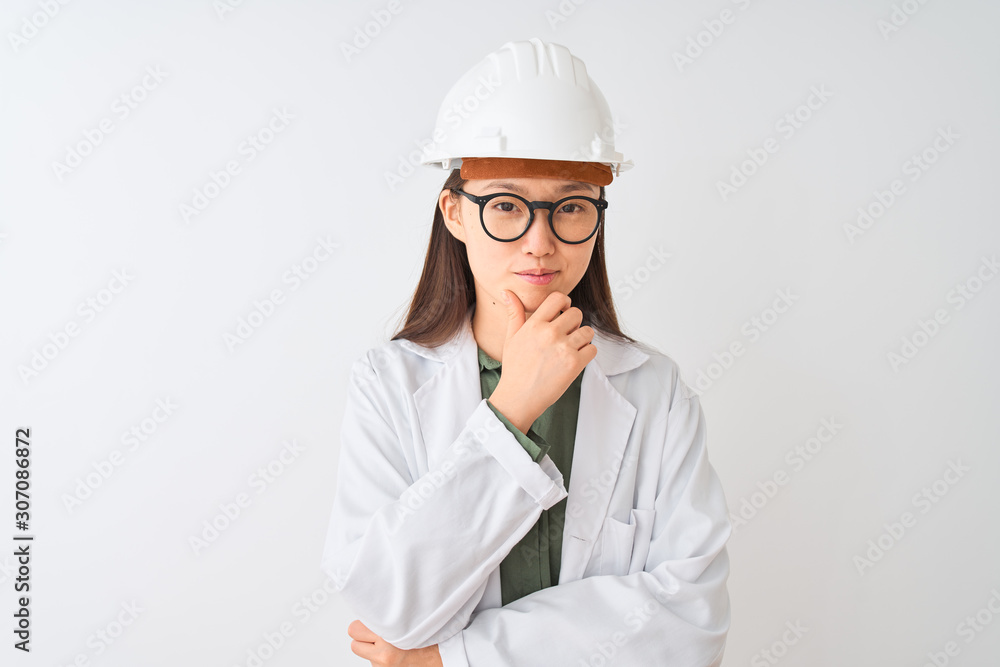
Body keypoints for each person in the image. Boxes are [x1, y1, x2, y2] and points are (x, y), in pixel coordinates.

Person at [322, 37, 732, 666]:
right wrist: (512, 408)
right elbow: (389, 606)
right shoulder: (388, 384)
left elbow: (689, 627)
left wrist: (446, 661)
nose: (540, 241)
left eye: (570, 206)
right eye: (507, 205)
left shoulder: (656, 392)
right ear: (455, 214)